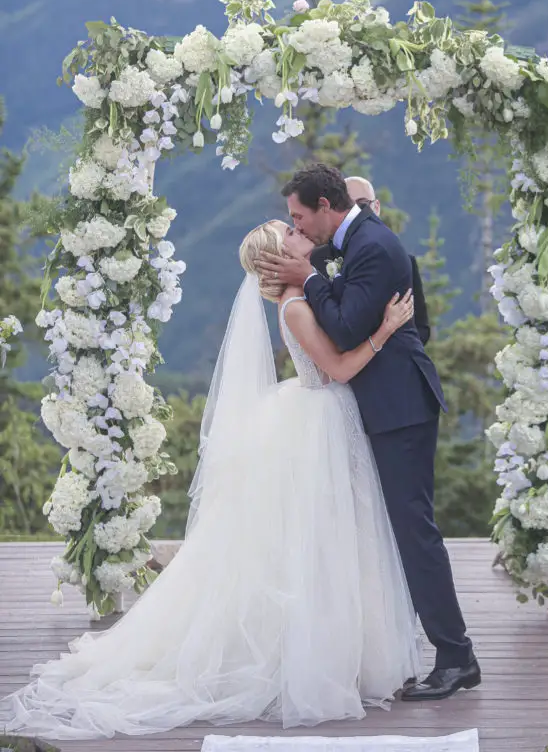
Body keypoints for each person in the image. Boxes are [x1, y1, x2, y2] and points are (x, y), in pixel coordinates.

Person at [0, 222, 419, 740]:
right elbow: (335, 369)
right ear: (276, 257)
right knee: (315, 544)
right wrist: (386, 330)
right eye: (287, 230)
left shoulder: (304, 293)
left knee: (329, 543)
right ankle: (315, 658)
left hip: (320, 419)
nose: (297, 230)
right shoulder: (295, 305)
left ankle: (342, 653)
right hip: (319, 421)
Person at [256, 164, 480, 702]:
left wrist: (308, 276)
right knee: (391, 532)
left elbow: (347, 324)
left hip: (399, 408)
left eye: (300, 216)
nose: (299, 228)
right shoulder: (349, 243)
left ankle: (456, 658)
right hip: (378, 403)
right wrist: (314, 273)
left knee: (413, 532)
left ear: (326, 208)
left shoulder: (373, 245)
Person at [343, 176, 430, 346]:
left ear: (376, 207)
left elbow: (422, 328)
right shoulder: (334, 262)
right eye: (348, 207)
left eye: (362, 205)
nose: (355, 214)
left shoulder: (404, 261)